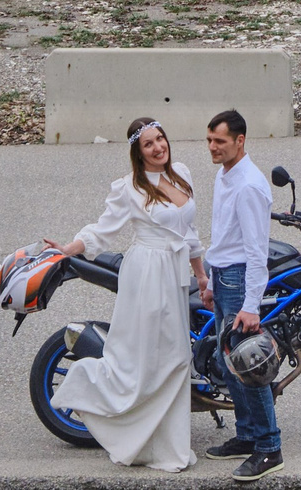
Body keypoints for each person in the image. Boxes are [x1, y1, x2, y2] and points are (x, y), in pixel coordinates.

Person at [46, 116, 212, 471]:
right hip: (147, 274)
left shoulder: (181, 173)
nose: (158, 147)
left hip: (174, 274)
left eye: (160, 139)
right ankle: (84, 386)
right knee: (148, 361)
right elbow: (102, 230)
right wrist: (69, 248)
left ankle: (165, 446)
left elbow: (190, 233)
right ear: (138, 152)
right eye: (148, 144)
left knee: (177, 359)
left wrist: (201, 276)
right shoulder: (129, 187)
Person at [203, 108, 282, 480]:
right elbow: (222, 235)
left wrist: (251, 306)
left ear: (240, 140)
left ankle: (269, 448)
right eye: (209, 140)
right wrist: (211, 282)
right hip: (223, 277)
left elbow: (256, 252)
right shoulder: (224, 174)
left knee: (250, 366)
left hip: (238, 280)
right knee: (230, 366)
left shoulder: (249, 185)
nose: (212, 147)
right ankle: (247, 435)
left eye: (219, 141)